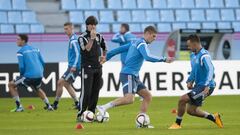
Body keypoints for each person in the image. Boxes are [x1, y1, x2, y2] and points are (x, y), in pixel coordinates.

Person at [97, 26, 173, 127]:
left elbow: (118, 50)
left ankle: (140, 122)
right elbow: (148, 56)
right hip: (128, 74)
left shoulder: (135, 42)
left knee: (147, 96)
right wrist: (164, 59)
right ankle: (103, 107)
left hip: (134, 76)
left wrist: (107, 57)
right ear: (148, 34)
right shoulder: (141, 43)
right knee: (129, 99)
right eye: (153, 36)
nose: (154, 39)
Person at [168, 34, 223, 129]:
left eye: (189, 45)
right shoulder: (193, 55)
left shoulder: (204, 55)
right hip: (199, 86)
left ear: (195, 44)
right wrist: (190, 80)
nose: (188, 47)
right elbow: (194, 70)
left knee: (182, 99)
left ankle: (177, 124)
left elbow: (211, 69)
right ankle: (214, 117)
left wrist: (206, 85)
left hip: (206, 86)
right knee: (191, 110)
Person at [8, 34, 53, 112]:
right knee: (37, 88)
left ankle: (19, 107)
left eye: (18, 39)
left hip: (28, 76)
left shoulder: (20, 52)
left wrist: (22, 75)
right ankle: (49, 106)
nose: (16, 41)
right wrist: (40, 72)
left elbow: (21, 67)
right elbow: (42, 62)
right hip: (39, 75)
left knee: (11, 85)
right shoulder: (36, 49)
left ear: (23, 41)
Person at [77, 16, 107, 120]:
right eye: (92, 24)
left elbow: (105, 47)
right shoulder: (82, 37)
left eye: (95, 25)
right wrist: (92, 38)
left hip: (98, 67)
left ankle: (91, 113)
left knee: (95, 91)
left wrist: (104, 57)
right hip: (87, 67)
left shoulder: (100, 36)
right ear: (87, 25)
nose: (93, 27)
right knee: (86, 92)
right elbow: (87, 49)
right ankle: (81, 113)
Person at [52, 22, 81, 110]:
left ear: (72, 28)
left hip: (74, 66)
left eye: (67, 29)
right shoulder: (73, 39)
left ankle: (55, 104)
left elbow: (78, 53)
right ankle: (77, 103)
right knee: (66, 84)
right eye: (64, 29)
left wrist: (74, 65)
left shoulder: (74, 40)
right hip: (73, 65)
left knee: (60, 82)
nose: (65, 31)